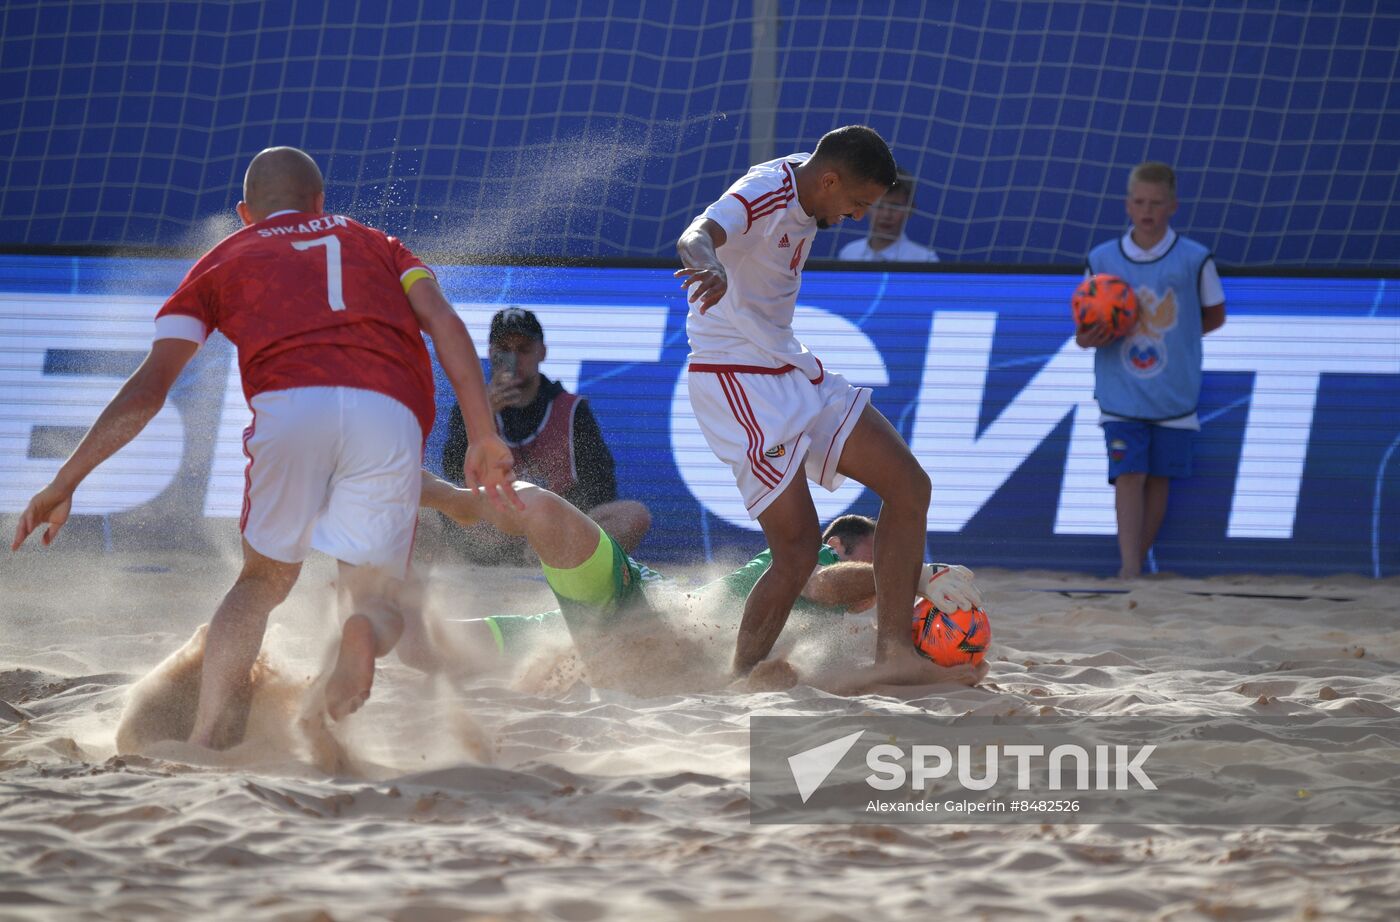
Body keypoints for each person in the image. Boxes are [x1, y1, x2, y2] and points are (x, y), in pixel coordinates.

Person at [10, 147, 520, 748]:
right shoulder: (378, 244)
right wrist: (484, 432)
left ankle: (209, 733)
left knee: (259, 585)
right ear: (320, 203)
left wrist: (65, 481)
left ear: (245, 212)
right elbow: (444, 323)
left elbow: (148, 390)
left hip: (291, 407)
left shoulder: (224, 256)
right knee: (376, 595)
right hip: (388, 410)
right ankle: (361, 627)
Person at [674, 125, 943, 687]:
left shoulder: (813, 172)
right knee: (796, 553)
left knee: (910, 486)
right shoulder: (764, 192)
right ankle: (741, 676)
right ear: (829, 181)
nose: (860, 216)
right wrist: (708, 263)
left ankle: (893, 653)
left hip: (788, 364)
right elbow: (697, 233)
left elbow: (842, 154)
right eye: (858, 203)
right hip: (736, 381)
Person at [413, 471, 985, 690]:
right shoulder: (807, 565)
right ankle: (445, 498)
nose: (878, 577)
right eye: (876, 559)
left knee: (411, 640)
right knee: (536, 506)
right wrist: (914, 576)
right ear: (838, 547)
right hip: (632, 604)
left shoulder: (849, 636)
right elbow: (827, 587)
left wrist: (944, 668)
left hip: (616, 649)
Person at [1076, 161, 1227, 580]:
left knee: (1159, 479)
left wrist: (1173, 336)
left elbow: (1213, 316)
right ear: (1128, 204)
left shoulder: (1194, 259)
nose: (1147, 210)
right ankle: (1129, 570)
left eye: (1156, 203)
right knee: (1129, 474)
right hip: (1120, 392)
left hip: (1174, 392)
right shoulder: (1102, 258)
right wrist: (1096, 335)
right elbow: (1083, 331)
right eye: (1140, 202)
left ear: (1172, 206)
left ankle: (1135, 564)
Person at [440, 307, 651, 563]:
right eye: (504, 349)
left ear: (542, 352)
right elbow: (453, 473)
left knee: (633, 515)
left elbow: (602, 487)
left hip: (553, 533)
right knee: (420, 510)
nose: (513, 358)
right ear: (490, 353)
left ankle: (548, 556)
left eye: (524, 349)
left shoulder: (571, 410)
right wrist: (480, 420)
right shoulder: (472, 408)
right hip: (491, 531)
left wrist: (547, 520)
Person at [836, 171, 939, 262]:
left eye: (896, 206)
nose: (886, 215)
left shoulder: (924, 259)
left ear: (910, 210)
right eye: (879, 206)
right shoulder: (849, 254)